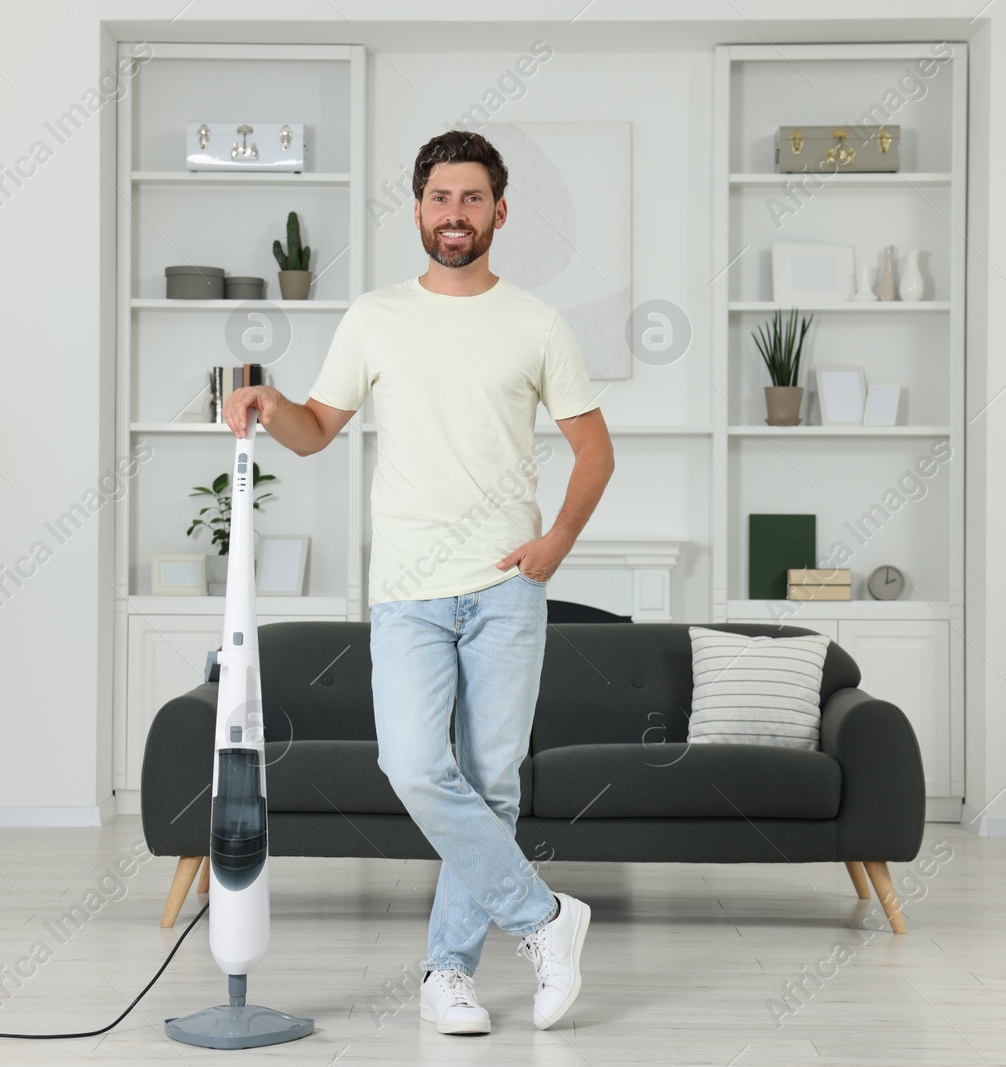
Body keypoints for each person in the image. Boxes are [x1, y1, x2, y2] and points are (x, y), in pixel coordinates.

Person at [221, 129, 615, 1034]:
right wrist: (268, 404)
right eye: (440, 197)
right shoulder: (375, 316)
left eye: (472, 198)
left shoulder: (537, 323)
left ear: (499, 212)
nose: (454, 214)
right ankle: (548, 918)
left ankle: (448, 974)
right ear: (418, 209)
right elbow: (318, 427)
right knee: (413, 763)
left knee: (492, 778)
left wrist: (557, 539)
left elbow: (594, 450)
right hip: (407, 588)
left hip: (507, 587)